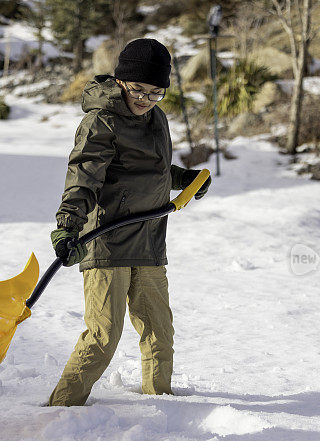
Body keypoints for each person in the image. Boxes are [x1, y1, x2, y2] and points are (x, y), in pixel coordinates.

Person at [47, 38, 210, 407]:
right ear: (121, 81)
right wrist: (68, 226)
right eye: (138, 90)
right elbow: (83, 177)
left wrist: (182, 178)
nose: (145, 100)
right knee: (104, 334)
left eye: (156, 93)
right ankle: (62, 409)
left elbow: (147, 170)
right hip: (108, 239)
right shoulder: (100, 121)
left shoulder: (156, 117)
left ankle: (162, 405)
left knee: (159, 332)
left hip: (149, 239)